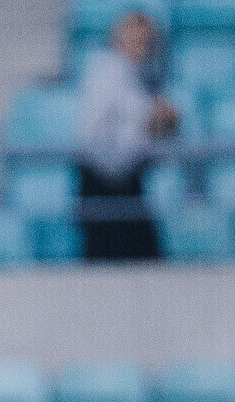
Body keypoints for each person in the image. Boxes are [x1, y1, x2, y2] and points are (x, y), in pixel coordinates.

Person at [78, 10, 175, 262]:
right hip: (104, 181)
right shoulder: (107, 73)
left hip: (126, 181)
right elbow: (95, 135)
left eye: (146, 42)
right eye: (135, 40)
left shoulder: (138, 77)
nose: (141, 47)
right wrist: (151, 124)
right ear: (118, 39)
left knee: (143, 261)